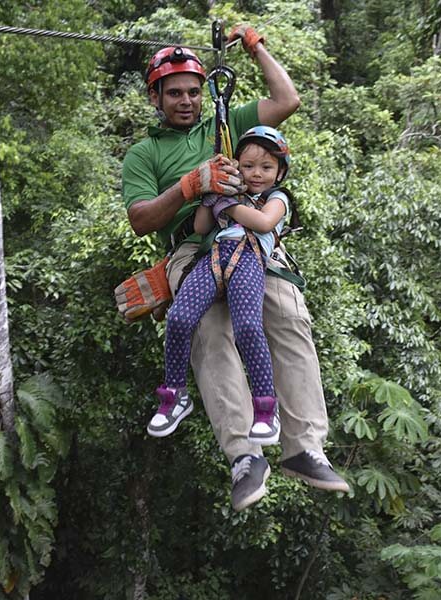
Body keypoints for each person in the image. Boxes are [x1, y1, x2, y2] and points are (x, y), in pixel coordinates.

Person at [122, 26, 350, 513]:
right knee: (208, 327)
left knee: (287, 314)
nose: (186, 101)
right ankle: (245, 457)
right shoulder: (145, 154)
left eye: (193, 91)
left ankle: (305, 448)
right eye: (175, 93)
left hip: (251, 241)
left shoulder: (224, 123)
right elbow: (141, 219)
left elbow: (287, 99)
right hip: (194, 247)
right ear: (156, 97)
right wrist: (188, 186)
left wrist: (255, 47)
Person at [148, 126, 295, 449]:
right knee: (179, 318)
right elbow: (202, 227)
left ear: (280, 171)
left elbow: (264, 223)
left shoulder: (277, 198)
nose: (256, 174)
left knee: (246, 328)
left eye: (266, 167)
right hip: (215, 258)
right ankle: (174, 394)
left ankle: (265, 409)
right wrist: (208, 196)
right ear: (237, 166)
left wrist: (225, 205)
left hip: (249, 260)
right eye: (248, 166)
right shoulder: (230, 194)